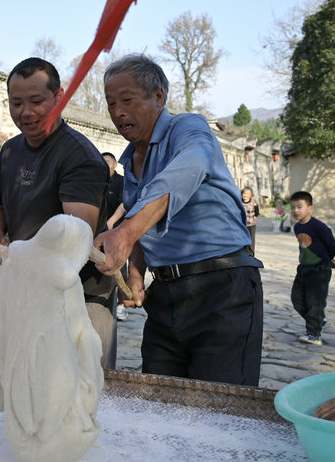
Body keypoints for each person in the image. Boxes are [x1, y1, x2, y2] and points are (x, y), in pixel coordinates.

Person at [94, 54, 264, 386]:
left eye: (126, 100)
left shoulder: (188, 129)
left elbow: (188, 170)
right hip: (168, 294)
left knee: (219, 407)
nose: (118, 112)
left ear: (158, 96)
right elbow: (148, 223)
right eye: (111, 103)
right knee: (161, 405)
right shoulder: (131, 161)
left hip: (223, 287)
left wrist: (127, 231)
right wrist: (135, 271)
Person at [0, 57, 116, 366]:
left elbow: (73, 239)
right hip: (27, 286)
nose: (25, 112)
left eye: (36, 101)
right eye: (16, 103)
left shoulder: (79, 157)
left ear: (59, 98)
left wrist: (20, 252)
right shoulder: (10, 151)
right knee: (29, 381)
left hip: (81, 295)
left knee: (85, 387)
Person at [288, 190, 335, 346]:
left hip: (319, 270)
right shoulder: (297, 227)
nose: (296, 210)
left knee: (315, 302)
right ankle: (318, 320)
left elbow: (332, 245)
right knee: (296, 298)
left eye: (300, 207)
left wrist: (326, 259)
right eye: (293, 207)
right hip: (303, 269)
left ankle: (313, 335)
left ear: (310, 208)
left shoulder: (319, 227)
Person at [102, 151, 129, 322]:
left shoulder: (121, 182)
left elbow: (124, 203)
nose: (103, 164)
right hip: (97, 231)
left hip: (115, 230)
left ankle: (121, 304)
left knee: (119, 267)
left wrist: (111, 223)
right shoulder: (96, 181)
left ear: (115, 165)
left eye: (106, 162)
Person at [241, 186, 260, 251]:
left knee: (251, 241)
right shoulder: (239, 202)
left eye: (247, 193)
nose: (245, 195)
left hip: (251, 225)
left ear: (251, 195)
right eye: (244, 193)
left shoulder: (254, 202)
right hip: (242, 225)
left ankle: (251, 254)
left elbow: (257, 213)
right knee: (243, 240)